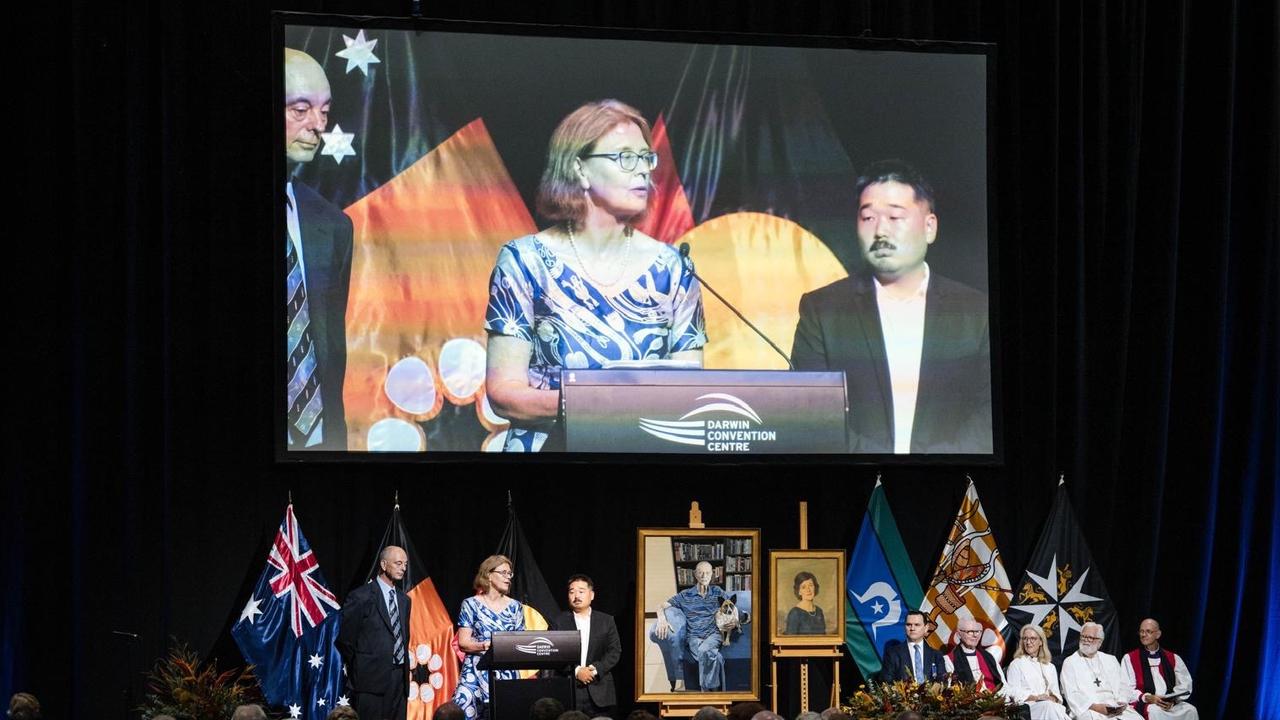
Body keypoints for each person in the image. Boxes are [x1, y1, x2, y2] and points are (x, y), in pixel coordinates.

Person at [483, 99, 707, 452]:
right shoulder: (524, 261)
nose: (643, 171)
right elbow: (504, 394)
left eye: (646, 158)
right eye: (624, 157)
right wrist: (594, 405)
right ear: (580, 169)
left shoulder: (673, 268)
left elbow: (688, 394)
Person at [791, 160, 991, 454]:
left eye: (895, 217)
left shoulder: (976, 312)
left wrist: (932, 467)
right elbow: (811, 415)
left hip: (952, 484)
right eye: (868, 217)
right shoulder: (823, 311)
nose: (881, 230)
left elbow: (991, 412)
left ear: (930, 227)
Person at [282, 48, 353, 450]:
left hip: (320, 446)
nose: (317, 126)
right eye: (300, 109)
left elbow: (329, 349)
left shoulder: (334, 225)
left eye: (324, 112)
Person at [336, 546, 412, 720]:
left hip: (399, 680)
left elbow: (403, 637)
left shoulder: (404, 600)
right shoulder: (361, 596)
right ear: (384, 565)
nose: (403, 568)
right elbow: (345, 640)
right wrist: (361, 667)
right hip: (370, 680)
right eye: (398, 563)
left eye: (405, 564)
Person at [453, 555, 526, 719]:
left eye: (510, 574)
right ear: (489, 575)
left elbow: (520, 643)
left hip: (506, 671)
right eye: (504, 573)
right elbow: (463, 643)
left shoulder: (516, 607)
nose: (508, 578)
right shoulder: (470, 604)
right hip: (476, 670)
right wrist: (488, 645)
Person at [550, 574, 622, 717]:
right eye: (572, 592)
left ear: (592, 595)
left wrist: (593, 670)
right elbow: (553, 653)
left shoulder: (606, 621)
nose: (576, 596)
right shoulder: (558, 622)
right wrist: (577, 671)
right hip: (570, 688)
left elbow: (614, 651)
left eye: (581, 591)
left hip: (600, 689)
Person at [654, 561, 729, 690]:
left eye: (707, 573)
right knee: (714, 656)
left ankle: (705, 693)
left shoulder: (718, 592)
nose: (704, 576)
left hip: (714, 635)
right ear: (695, 574)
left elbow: (732, 606)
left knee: (704, 651)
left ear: (712, 574)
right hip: (694, 637)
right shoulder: (685, 595)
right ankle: (717, 691)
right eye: (700, 572)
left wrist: (743, 617)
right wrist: (661, 619)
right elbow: (661, 605)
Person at [1060, 622, 1142, 720]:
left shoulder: (1111, 659)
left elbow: (1123, 685)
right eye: (1083, 636)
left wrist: (1122, 702)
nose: (1085, 640)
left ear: (1100, 642)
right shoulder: (1070, 662)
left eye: (1090, 637)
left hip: (1114, 705)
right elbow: (1071, 693)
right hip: (1088, 709)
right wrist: (1097, 707)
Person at [1122, 619, 1198, 720]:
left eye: (1148, 631)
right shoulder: (1130, 658)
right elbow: (1125, 688)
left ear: (1158, 634)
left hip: (1168, 703)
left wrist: (1173, 700)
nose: (1143, 635)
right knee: (1155, 711)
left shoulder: (1173, 658)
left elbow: (1185, 684)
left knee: (1191, 710)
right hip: (1146, 702)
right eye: (1141, 631)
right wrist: (1147, 697)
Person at [1004, 624, 1069, 720]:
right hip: (1028, 708)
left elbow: (1056, 693)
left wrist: (1052, 698)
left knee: (1053, 707)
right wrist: (1037, 698)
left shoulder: (1050, 666)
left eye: (1032, 638)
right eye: (1025, 638)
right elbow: (1013, 692)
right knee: (1049, 707)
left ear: (1041, 642)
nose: (1028, 642)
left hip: (1050, 706)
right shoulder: (1016, 664)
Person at [881, 610, 946, 682]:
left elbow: (942, 681)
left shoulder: (936, 655)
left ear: (926, 628)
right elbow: (887, 682)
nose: (912, 628)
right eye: (908, 625)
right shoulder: (892, 654)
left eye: (917, 625)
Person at [945, 618, 1008, 692]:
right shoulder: (949, 660)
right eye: (970, 632)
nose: (975, 635)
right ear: (959, 634)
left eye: (978, 631)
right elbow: (948, 690)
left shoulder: (989, 657)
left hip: (995, 699)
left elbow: (1004, 685)